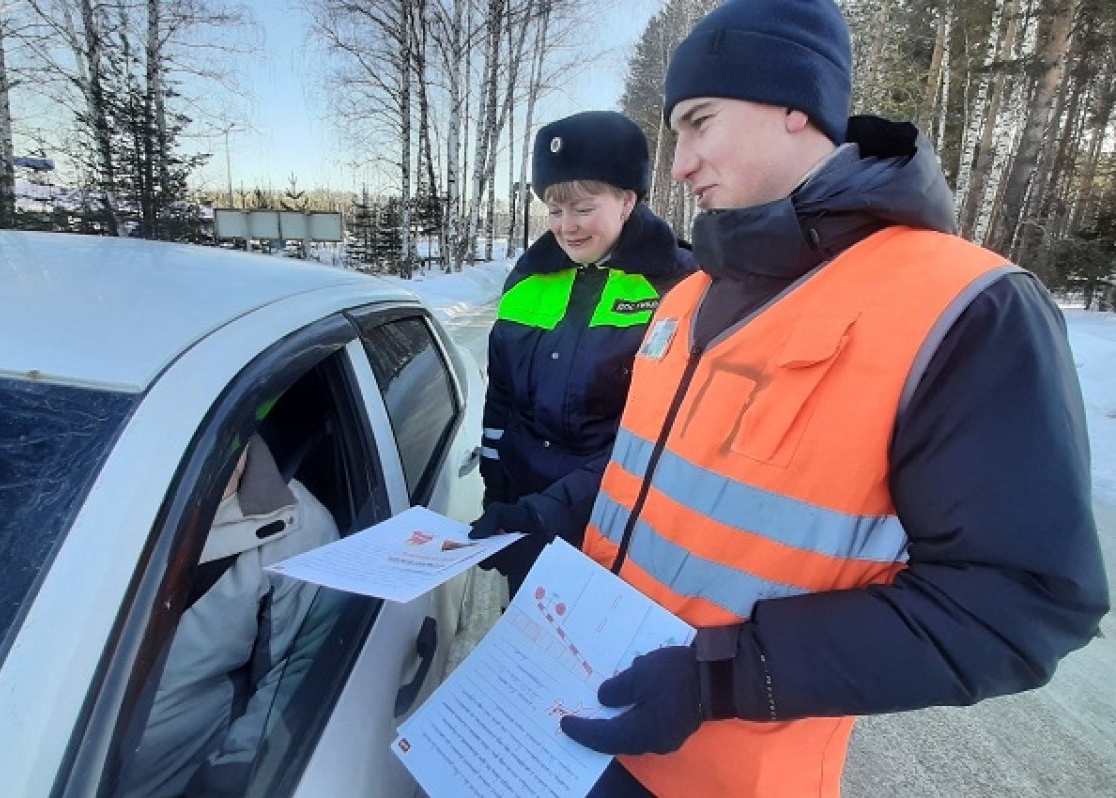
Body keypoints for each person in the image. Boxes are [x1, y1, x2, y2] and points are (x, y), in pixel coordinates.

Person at [472, 1, 1109, 795]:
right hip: (596, 715)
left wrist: (719, 679)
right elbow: (650, 477)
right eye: (675, 133)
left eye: (700, 122)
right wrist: (536, 517)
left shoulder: (968, 306)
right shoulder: (689, 298)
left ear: (793, 107)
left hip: (733, 768)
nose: (677, 165)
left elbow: (1018, 605)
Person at [468, 110, 693, 597]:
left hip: (619, 524)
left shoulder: (679, 288)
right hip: (529, 516)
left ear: (627, 201)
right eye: (554, 211)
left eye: (583, 209)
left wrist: (552, 510)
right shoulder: (527, 281)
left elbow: (665, 437)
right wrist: (497, 489)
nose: (565, 228)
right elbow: (502, 400)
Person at [119, 434, 340, 797]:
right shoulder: (85, 500)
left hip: (173, 780)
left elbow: (295, 670)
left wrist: (231, 776)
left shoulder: (299, 530)